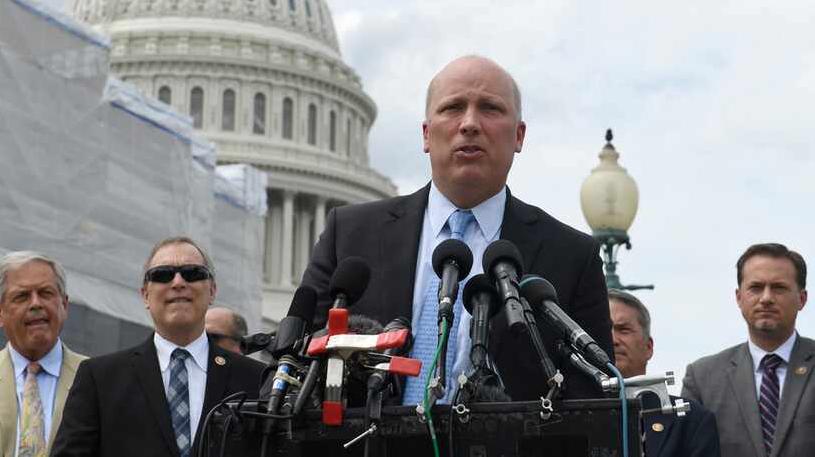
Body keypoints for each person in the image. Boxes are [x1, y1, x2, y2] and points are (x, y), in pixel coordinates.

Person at [300, 55, 613, 402]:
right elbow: (296, 360)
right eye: (452, 108)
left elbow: (592, 397)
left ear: (519, 135)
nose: (469, 124)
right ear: (426, 134)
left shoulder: (571, 255)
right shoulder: (349, 233)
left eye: (491, 109)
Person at [51, 237, 265, 457]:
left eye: (192, 273)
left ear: (212, 291)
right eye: (163, 275)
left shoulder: (255, 379)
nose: (178, 282)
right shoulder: (100, 379)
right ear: (145, 295)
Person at [682, 243, 813, 457]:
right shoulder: (702, 378)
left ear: (802, 298)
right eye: (756, 287)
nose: (766, 298)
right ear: (739, 297)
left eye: (779, 287)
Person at [0, 251, 86, 457]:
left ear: (64, 305)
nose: (36, 303)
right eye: (21, 296)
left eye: (46, 293)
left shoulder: (101, 380)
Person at [608, 289, 720, 457]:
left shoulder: (691, 422)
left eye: (623, 330)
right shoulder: (563, 415)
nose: (613, 340)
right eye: (605, 330)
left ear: (649, 347)